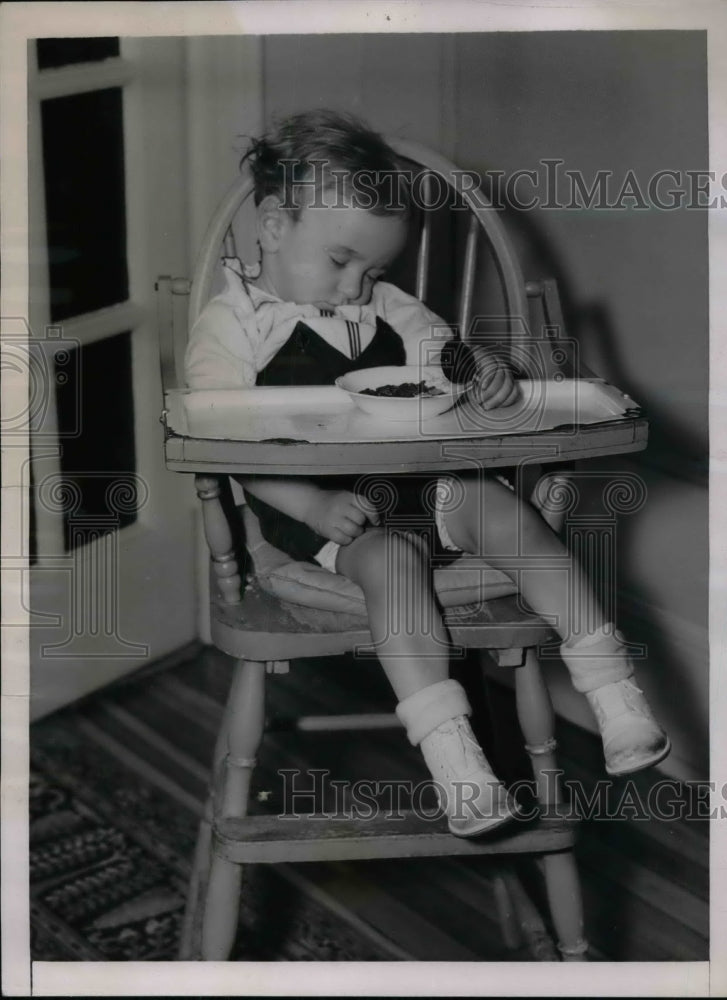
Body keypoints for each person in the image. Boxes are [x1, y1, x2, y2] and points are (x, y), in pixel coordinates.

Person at [185, 109, 670, 837]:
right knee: (392, 561)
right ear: (275, 227)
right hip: (332, 519)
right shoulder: (235, 326)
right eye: (340, 261)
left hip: (424, 482)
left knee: (510, 514)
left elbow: (444, 352)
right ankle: (457, 763)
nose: (356, 287)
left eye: (374, 269)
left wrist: (484, 375)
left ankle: (610, 691)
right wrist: (310, 506)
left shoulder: (387, 305)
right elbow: (221, 439)